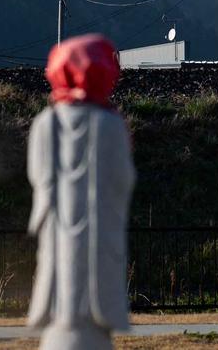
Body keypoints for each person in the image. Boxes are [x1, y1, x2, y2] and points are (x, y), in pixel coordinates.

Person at [27, 34, 134, 350]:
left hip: (57, 230)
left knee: (59, 275)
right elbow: (122, 180)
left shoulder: (45, 123)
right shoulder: (111, 125)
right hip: (101, 232)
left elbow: (38, 176)